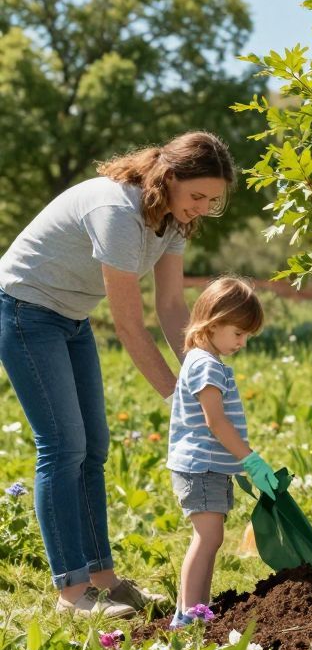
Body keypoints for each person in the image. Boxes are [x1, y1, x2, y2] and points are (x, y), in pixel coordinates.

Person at [0, 130, 235, 617]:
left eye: (213, 201)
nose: (202, 208)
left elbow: (171, 308)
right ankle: (72, 592)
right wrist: (178, 398)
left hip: (70, 316)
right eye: (197, 196)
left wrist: (200, 373)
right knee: (64, 445)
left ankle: (103, 580)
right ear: (168, 178)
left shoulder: (172, 219)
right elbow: (130, 327)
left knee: (94, 447)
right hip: (23, 310)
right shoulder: (117, 211)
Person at [167, 277, 279, 612]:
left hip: (208, 467)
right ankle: (189, 614)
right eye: (239, 333)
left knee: (210, 537)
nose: (243, 343)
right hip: (199, 467)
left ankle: (198, 607)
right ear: (213, 324)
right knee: (207, 538)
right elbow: (215, 421)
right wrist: (250, 460)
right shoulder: (205, 365)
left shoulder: (207, 362)